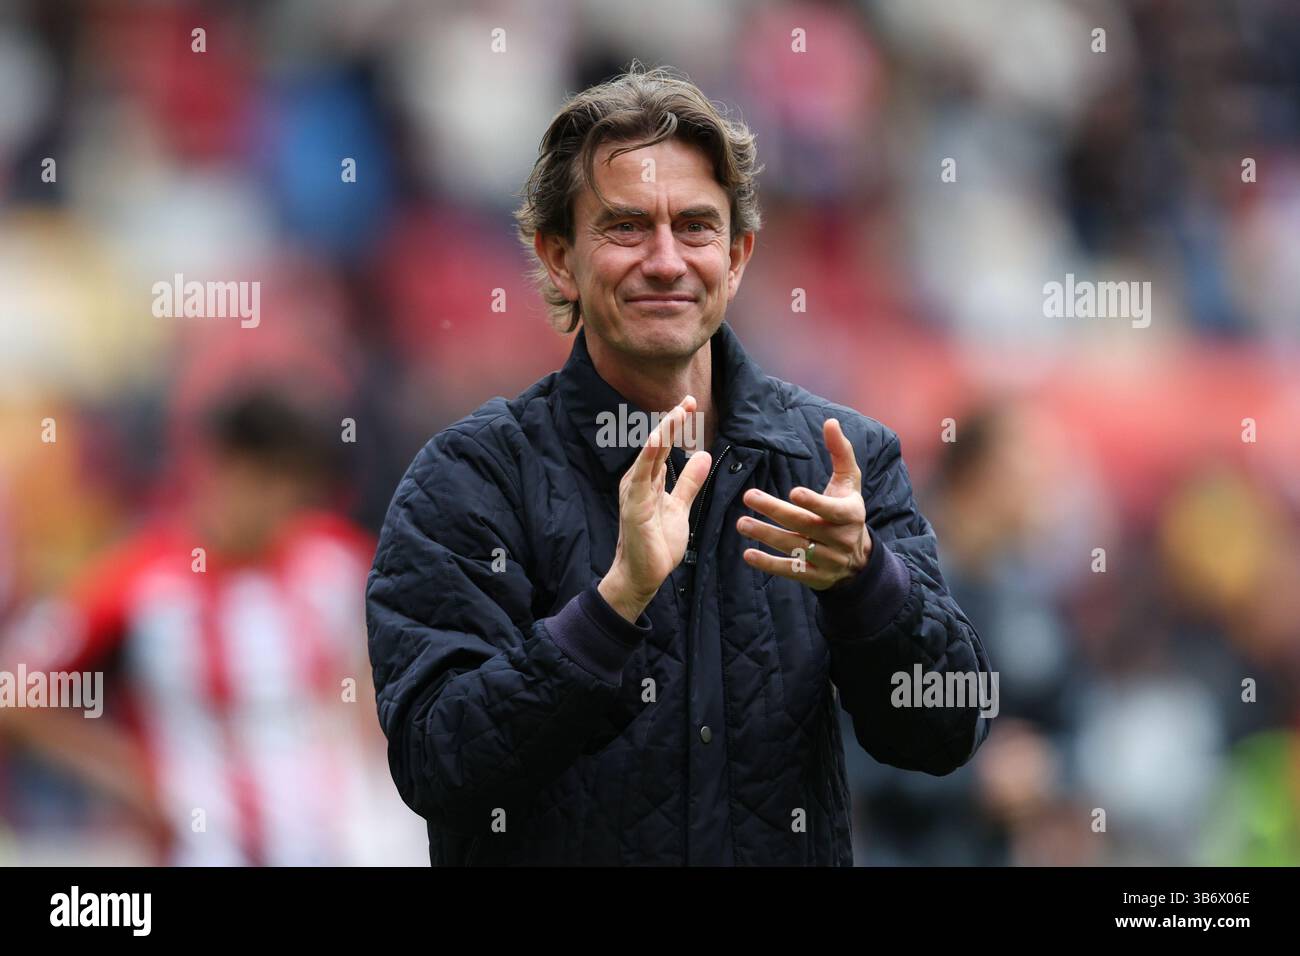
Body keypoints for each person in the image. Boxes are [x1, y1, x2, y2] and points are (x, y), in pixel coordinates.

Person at [366, 64, 992, 866]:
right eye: (626, 227)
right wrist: (612, 605)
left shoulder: (843, 462)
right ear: (558, 258)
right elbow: (438, 763)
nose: (666, 261)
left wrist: (866, 582)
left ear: (736, 257)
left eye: (695, 227)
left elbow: (946, 730)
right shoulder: (468, 480)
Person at [1, 385, 424, 865]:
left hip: (337, 850)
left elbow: (375, 673)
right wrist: (134, 779)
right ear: (224, 471)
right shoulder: (141, 579)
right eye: (272, 483)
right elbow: (16, 697)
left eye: (299, 491)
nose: (285, 507)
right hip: (205, 853)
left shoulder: (338, 562)